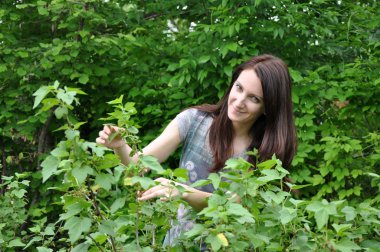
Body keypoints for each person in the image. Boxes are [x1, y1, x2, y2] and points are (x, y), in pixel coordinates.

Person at [96, 54, 297, 246]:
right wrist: (121, 146)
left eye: (254, 98)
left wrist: (181, 191)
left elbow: (229, 208)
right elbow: (138, 166)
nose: (239, 101)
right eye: (238, 88)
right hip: (177, 243)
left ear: (268, 107)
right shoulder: (194, 121)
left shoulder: (265, 155)